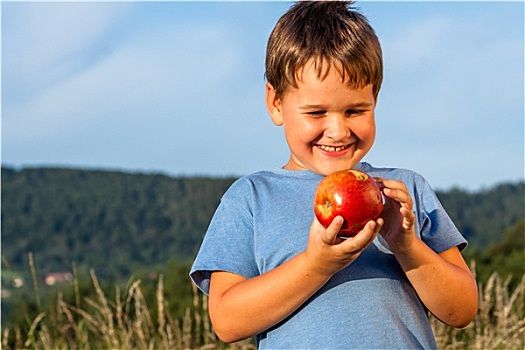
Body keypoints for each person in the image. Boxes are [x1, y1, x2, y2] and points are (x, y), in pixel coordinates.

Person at [190, 1, 478, 348]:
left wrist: (406, 245)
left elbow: (462, 310)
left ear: (376, 100)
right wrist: (316, 264)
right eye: (316, 112)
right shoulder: (252, 198)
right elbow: (227, 320)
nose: (338, 131)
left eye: (356, 110)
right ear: (276, 103)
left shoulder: (404, 192)